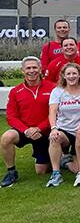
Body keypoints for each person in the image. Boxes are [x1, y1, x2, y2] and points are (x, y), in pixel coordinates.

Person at [1, 57, 55, 187]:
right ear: (22, 71)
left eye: (35, 67)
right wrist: (26, 130)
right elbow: (11, 116)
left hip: (44, 132)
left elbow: (55, 113)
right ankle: (11, 171)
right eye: (28, 68)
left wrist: (39, 128)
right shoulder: (16, 91)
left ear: (40, 69)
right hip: (24, 131)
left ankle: (57, 158)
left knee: (41, 171)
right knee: (6, 137)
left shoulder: (52, 88)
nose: (32, 71)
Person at [45, 62, 80, 187]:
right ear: (63, 76)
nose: (71, 76)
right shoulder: (57, 91)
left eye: (74, 73)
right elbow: (52, 111)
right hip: (64, 130)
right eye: (68, 74)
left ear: (79, 74)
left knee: (75, 169)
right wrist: (53, 129)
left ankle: (67, 161)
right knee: (54, 137)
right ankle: (56, 174)